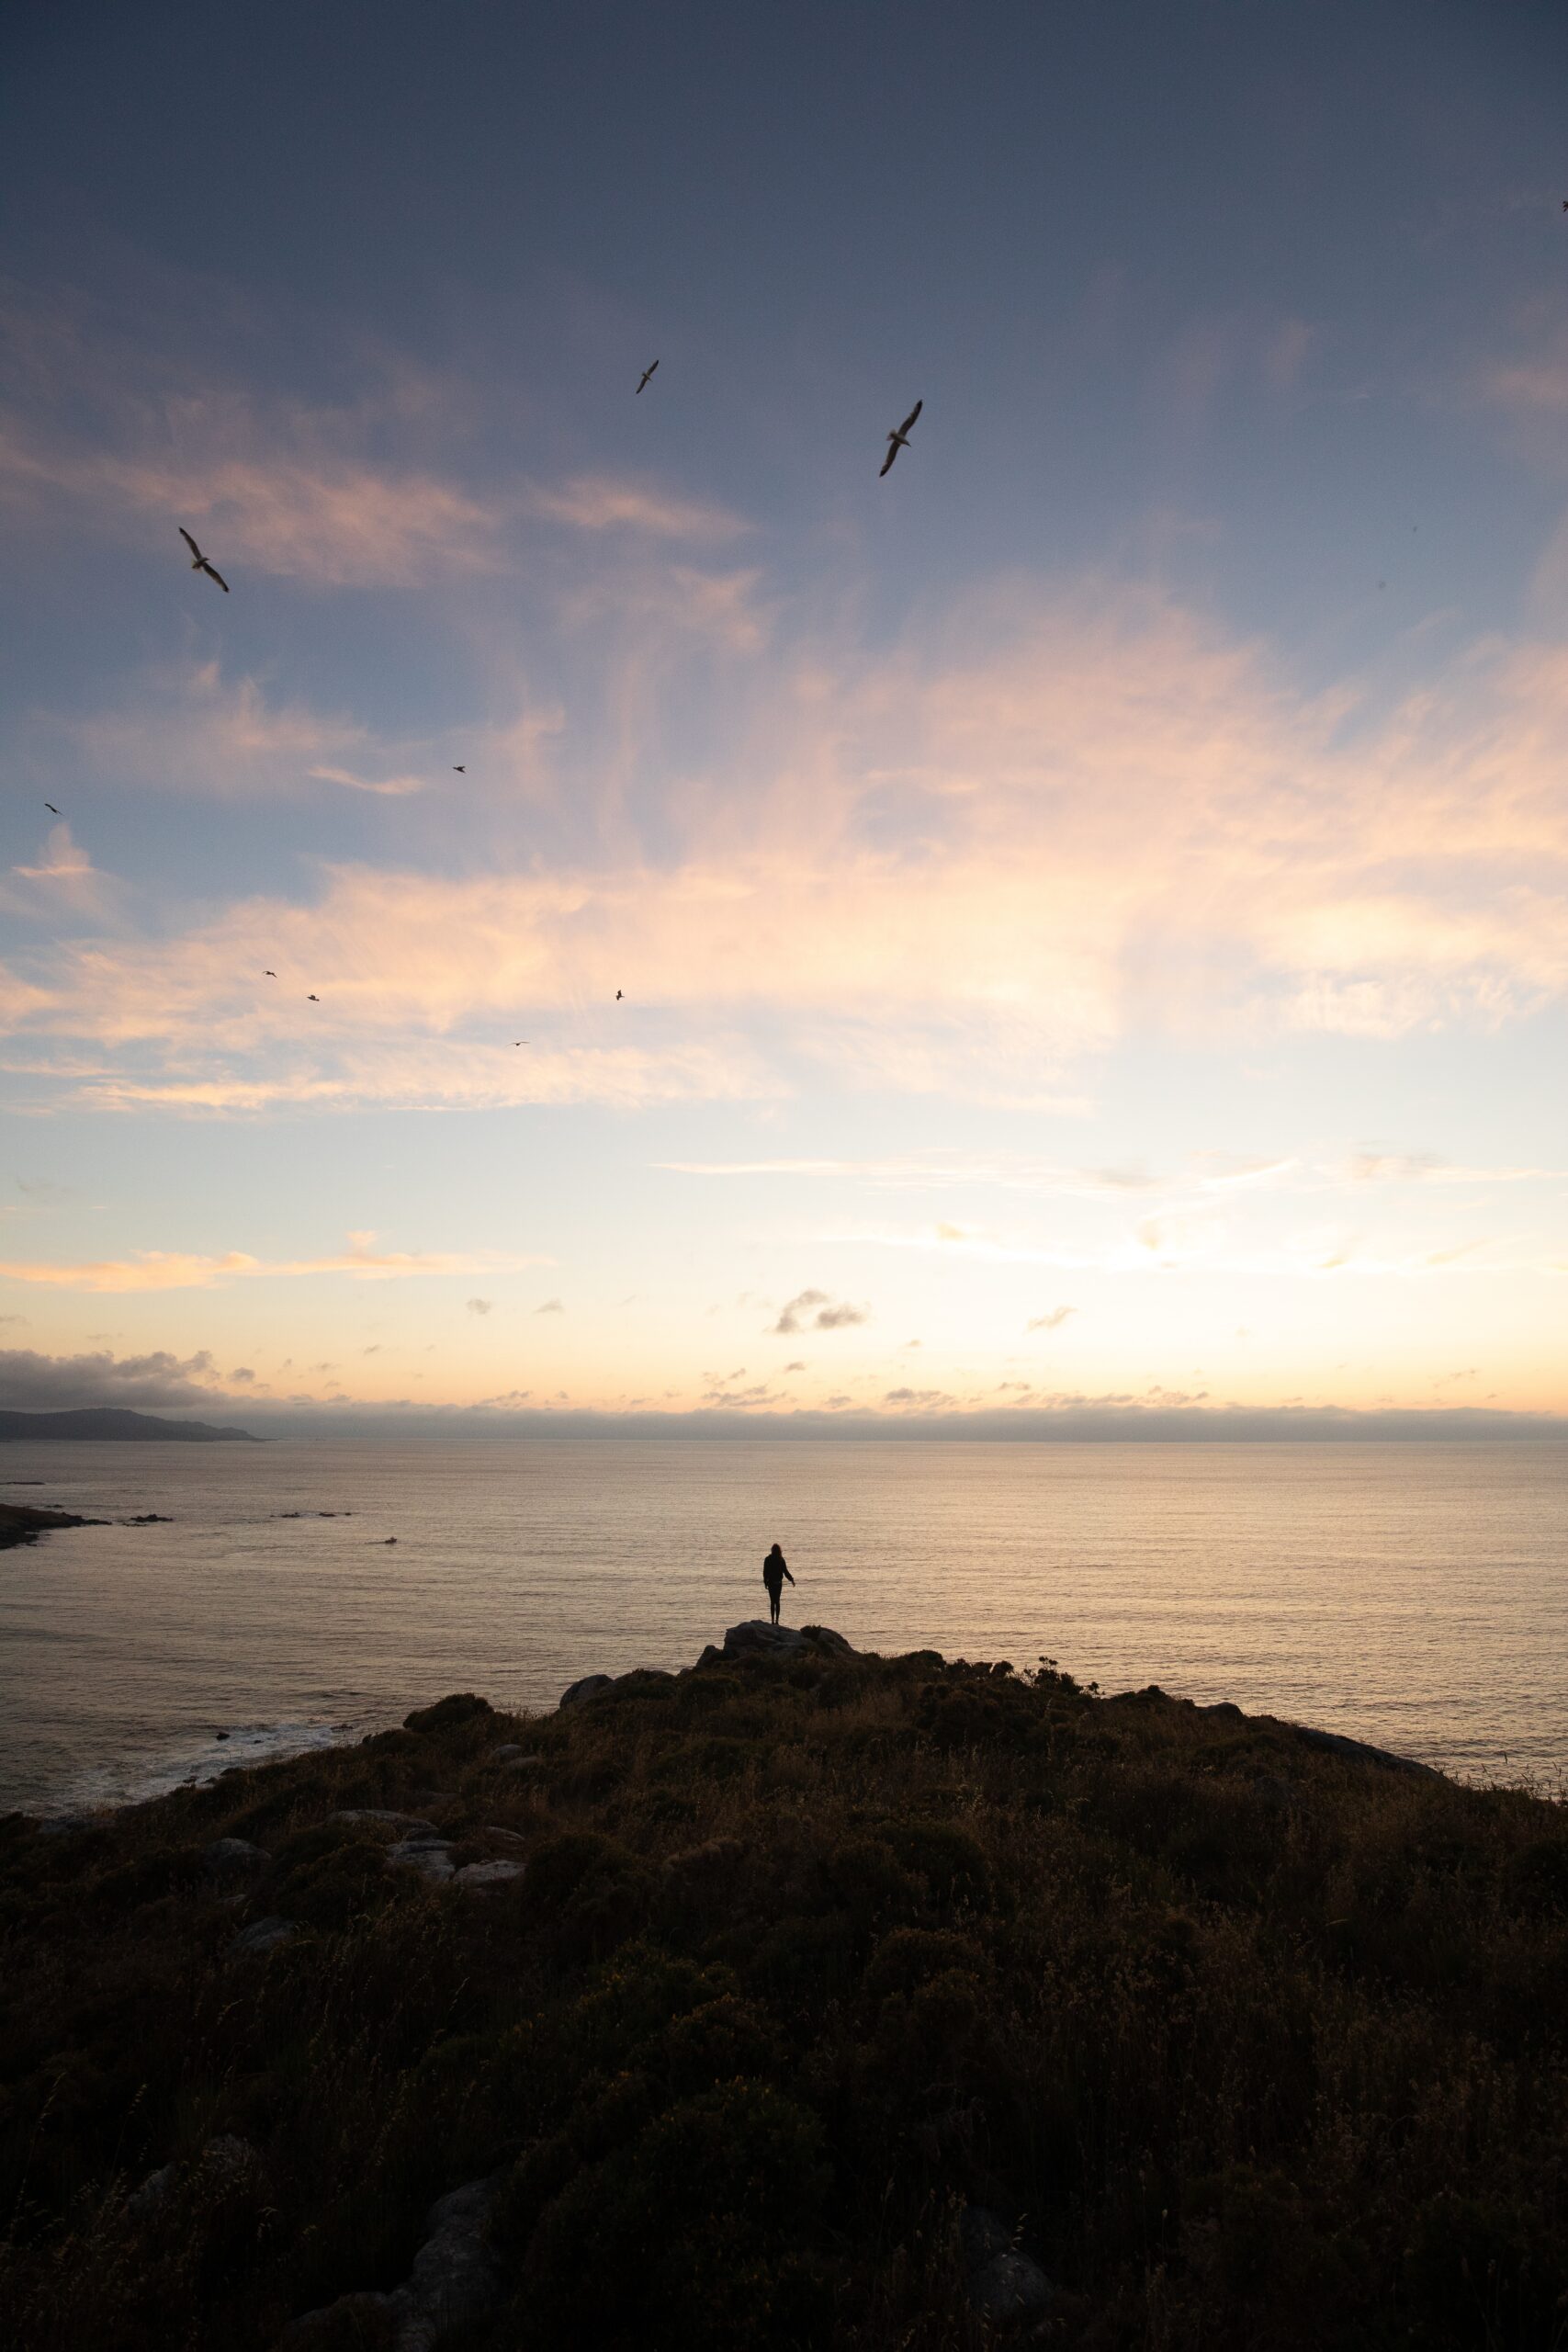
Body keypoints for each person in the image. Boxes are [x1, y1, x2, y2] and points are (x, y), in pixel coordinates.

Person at [761, 1541, 795, 1626]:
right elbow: (785, 1572)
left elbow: (765, 1572)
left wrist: (765, 1582)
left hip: (771, 1583)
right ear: (779, 1550)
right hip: (778, 1583)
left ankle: (772, 1621)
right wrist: (791, 1580)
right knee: (777, 1601)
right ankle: (777, 1621)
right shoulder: (781, 1559)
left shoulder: (768, 1559)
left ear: (772, 1550)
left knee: (772, 1602)